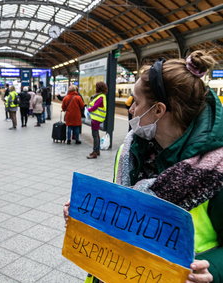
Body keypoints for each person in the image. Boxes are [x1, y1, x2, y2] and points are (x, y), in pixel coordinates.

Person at [64, 50, 223, 283]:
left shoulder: (215, 171)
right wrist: (83, 217)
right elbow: (120, 208)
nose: (130, 110)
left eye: (136, 103)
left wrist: (213, 273)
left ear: (158, 110)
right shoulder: (130, 151)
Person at [86, 82, 107, 159]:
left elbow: (95, 106)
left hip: (96, 119)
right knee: (96, 135)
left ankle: (94, 152)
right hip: (96, 118)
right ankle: (97, 151)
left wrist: (89, 109)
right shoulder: (102, 96)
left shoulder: (101, 97)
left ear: (99, 88)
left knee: (95, 135)